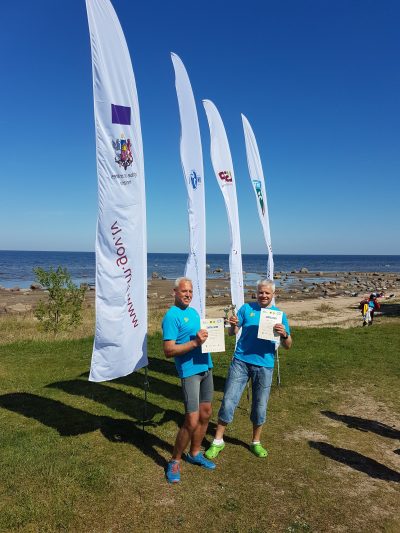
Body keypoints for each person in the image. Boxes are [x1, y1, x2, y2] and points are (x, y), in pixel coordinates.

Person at [205, 280, 292, 460]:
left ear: (273, 295)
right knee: (229, 400)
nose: (263, 295)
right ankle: (218, 440)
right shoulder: (246, 309)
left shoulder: (279, 315)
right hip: (241, 362)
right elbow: (232, 332)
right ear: (256, 293)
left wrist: (284, 334)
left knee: (260, 405)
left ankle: (255, 442)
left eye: (267, 293)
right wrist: (233, 324)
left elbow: (288, 345)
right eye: (261, 292)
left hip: (265, 365)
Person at [162, 277, 215, 483]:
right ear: (174, 292)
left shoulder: (193, 313)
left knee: (206, 413)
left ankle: (194, 453)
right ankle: (175, 460)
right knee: (191, 420)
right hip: (189, 372)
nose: (188, 294)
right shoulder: (171, 316)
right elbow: (168, 350)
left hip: (206, 367)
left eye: (190, 291)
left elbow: (201, 337)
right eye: (184, 291)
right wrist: (194, 343)